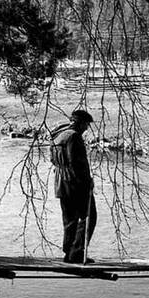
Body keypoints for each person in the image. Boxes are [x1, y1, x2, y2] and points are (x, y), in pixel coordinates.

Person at [50, 109, 97, 263]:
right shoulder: (74, 137)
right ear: (80, 123)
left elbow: (53, 160)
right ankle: (76, 252)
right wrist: (87, 182)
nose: (86, 128)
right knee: (89, 217)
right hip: (75, 184)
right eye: (86, 125)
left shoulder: (58, 135)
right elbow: (77, 164)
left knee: (70, 220)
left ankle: (68, 253)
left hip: (60, 184)